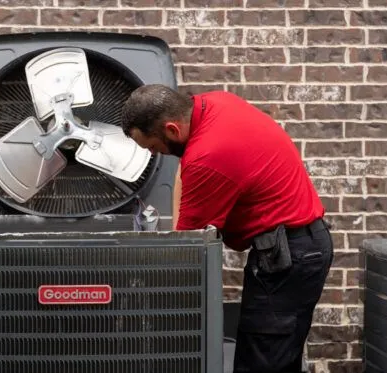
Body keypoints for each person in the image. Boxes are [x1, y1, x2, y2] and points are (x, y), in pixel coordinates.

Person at [121, 84, 334, 373]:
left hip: (288, 258)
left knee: (261, 364)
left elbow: (189, 246)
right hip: (299, 247)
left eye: (153, 148)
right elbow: (187, 167)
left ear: (172, 130)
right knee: (278, 358)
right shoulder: (216, 103)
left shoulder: (207, 156)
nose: (157, 154)